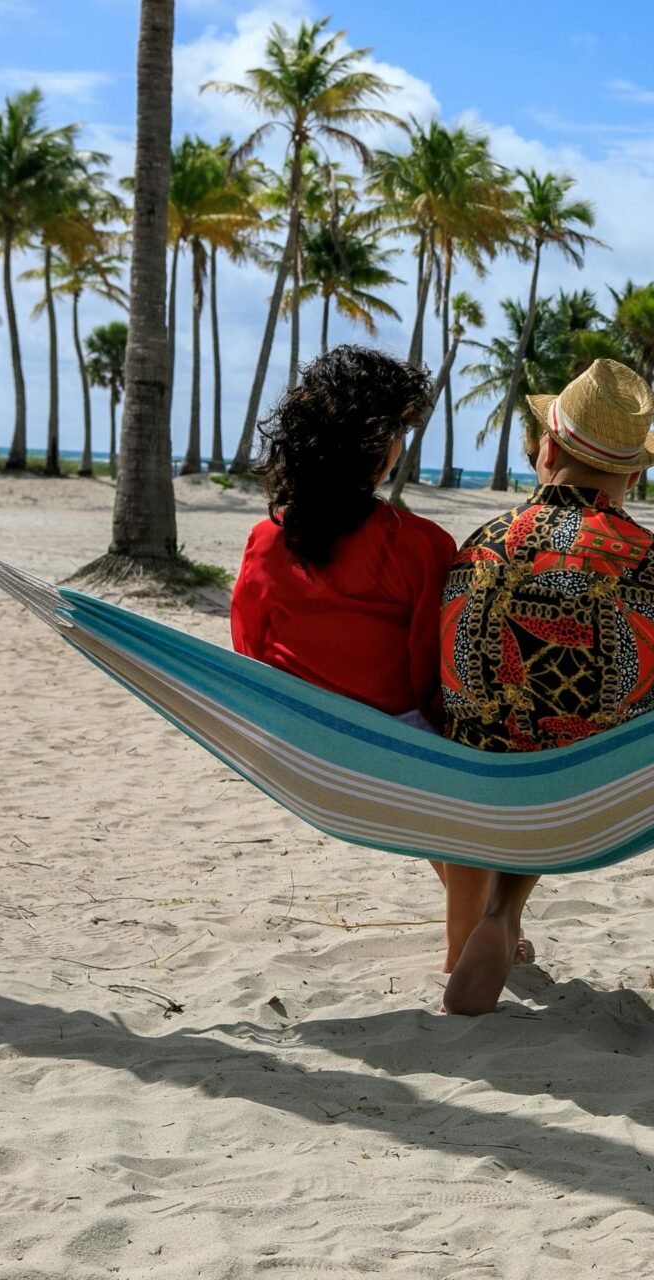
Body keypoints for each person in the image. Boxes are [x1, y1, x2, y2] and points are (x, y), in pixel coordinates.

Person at [439, 357, 654, 1025]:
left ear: (546, 450)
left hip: (495, 797)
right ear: (634, 475)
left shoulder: (473, 553)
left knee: (527, 731)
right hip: (612, 798)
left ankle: (500, 913)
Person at [229, 345, 492, 972]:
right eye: (398, 432)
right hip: (391, 737)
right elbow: (428, 670)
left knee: (436, 800)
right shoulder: (420, 544)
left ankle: (479, 926)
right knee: (471, 822)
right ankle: (466, 950)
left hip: (298, 736)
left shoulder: (267, 540)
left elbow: (248, 647)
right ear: (379, 450)